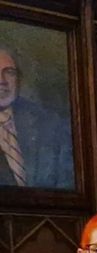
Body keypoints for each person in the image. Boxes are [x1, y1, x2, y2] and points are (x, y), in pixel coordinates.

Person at [0, 46, 74, 189]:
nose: (2, 80)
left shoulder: (49, 123)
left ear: (19, 79)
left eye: (9, 72)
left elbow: (68, 185)